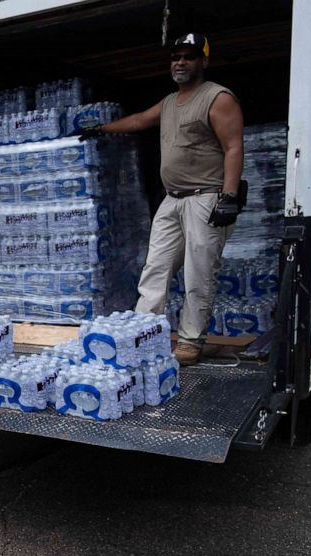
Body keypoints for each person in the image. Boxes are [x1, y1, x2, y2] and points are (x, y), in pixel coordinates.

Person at [79, 32, 244, 366]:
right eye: (176, 57)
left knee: (199, 274)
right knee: (155, 268)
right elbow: (140, 119)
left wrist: (228, 196)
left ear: (204, 61)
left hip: (205, 199)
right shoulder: (171, 102)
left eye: (189, 56)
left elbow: (234, 147)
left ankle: (189, 342)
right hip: (172, 201)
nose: (180, 62)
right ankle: (142, 332)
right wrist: (102, 130)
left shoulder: (217, 98)